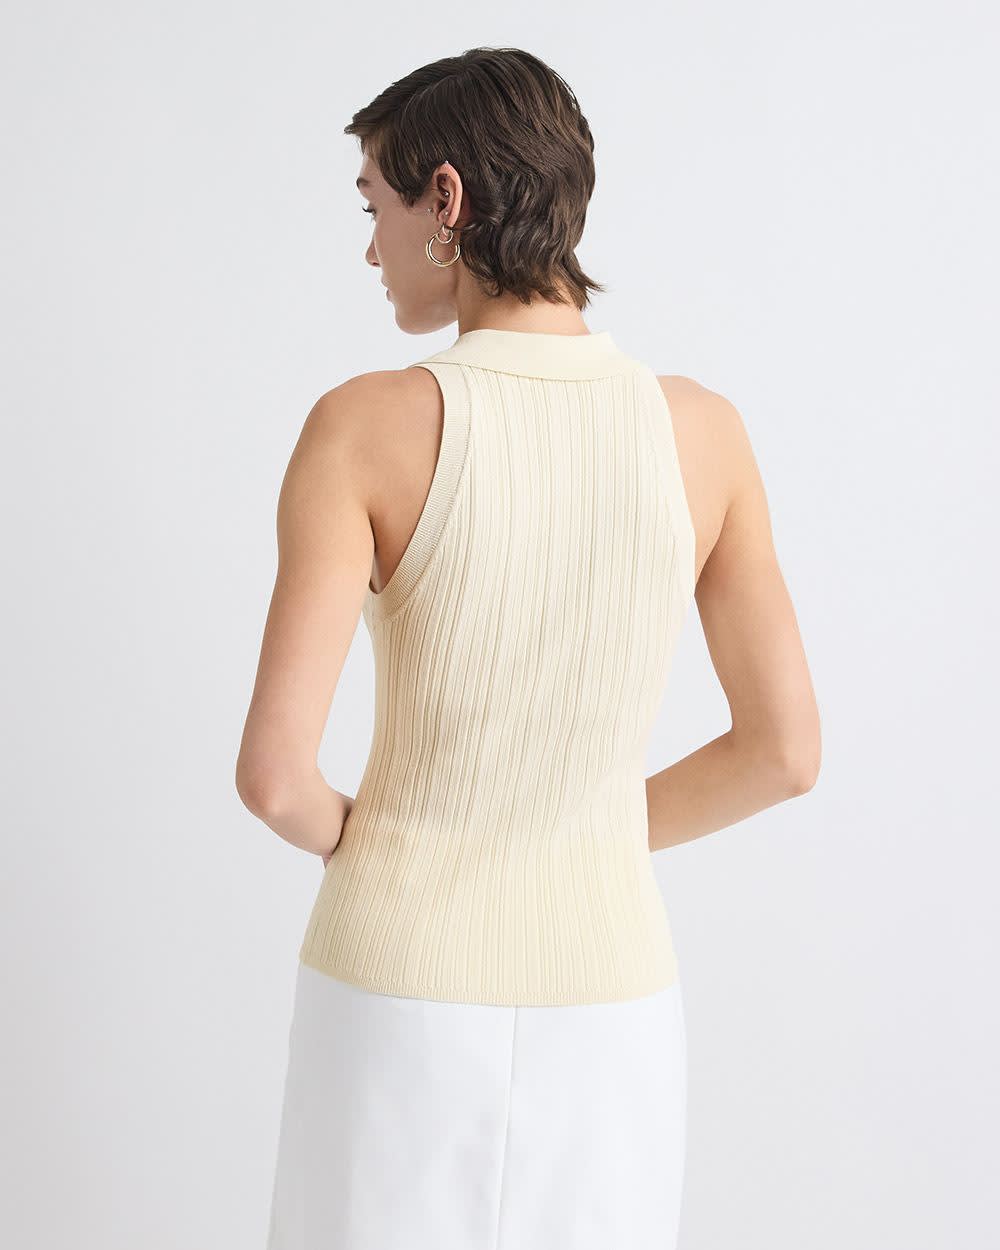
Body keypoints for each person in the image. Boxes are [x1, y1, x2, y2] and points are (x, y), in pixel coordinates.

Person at [236, 46, 821, 1250]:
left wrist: (402, 842)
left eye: (375, 206)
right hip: (612, 995)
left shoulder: (361, 427)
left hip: (393, 986)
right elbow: (783, 751)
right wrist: (575, 830)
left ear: (444, 198)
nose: (371, 248)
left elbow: (277, 780)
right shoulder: (703, 433)